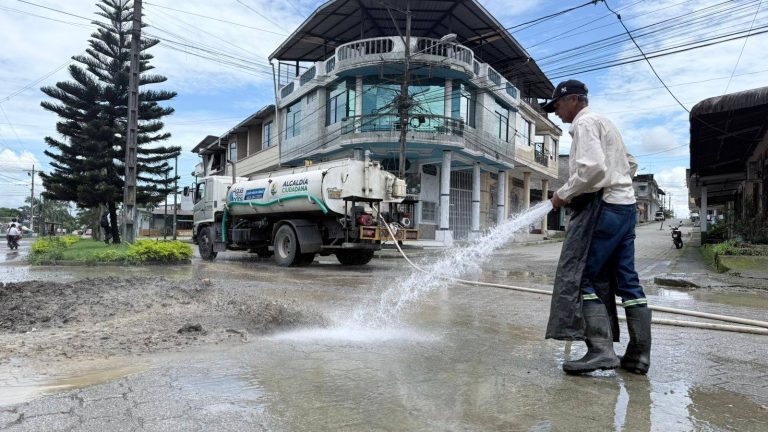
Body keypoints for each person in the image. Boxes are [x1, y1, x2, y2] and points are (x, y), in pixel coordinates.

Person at [541, 79, 651, 375]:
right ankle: (639, 356)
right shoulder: (606, 123)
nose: (556, 112)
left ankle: (600, 350)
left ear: (574, 100)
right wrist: (618, 180)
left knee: (581, 278)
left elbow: (592, 169)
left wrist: (563, 193)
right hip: (626, 208)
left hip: (604, 209)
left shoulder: (584, 124)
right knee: (627, 280)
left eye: (558, 105)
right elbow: (630, 163)